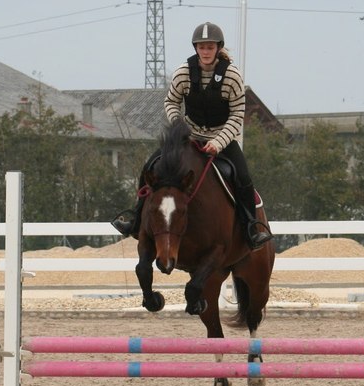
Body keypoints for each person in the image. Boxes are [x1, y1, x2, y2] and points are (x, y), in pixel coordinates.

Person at [111, 22, 273, 250]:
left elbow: (237, 114)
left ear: (218, 48)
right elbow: (171, 101)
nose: (205, 51)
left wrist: (218, 142)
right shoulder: (184, 72)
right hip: (190, 135)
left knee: (243, 178)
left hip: (222, 139)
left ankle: (251, 228)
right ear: (195, 48)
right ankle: (135, 220)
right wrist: (180, 127)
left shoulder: (232, 76)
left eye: (210, 47)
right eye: (201, 47)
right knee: (151, 166)